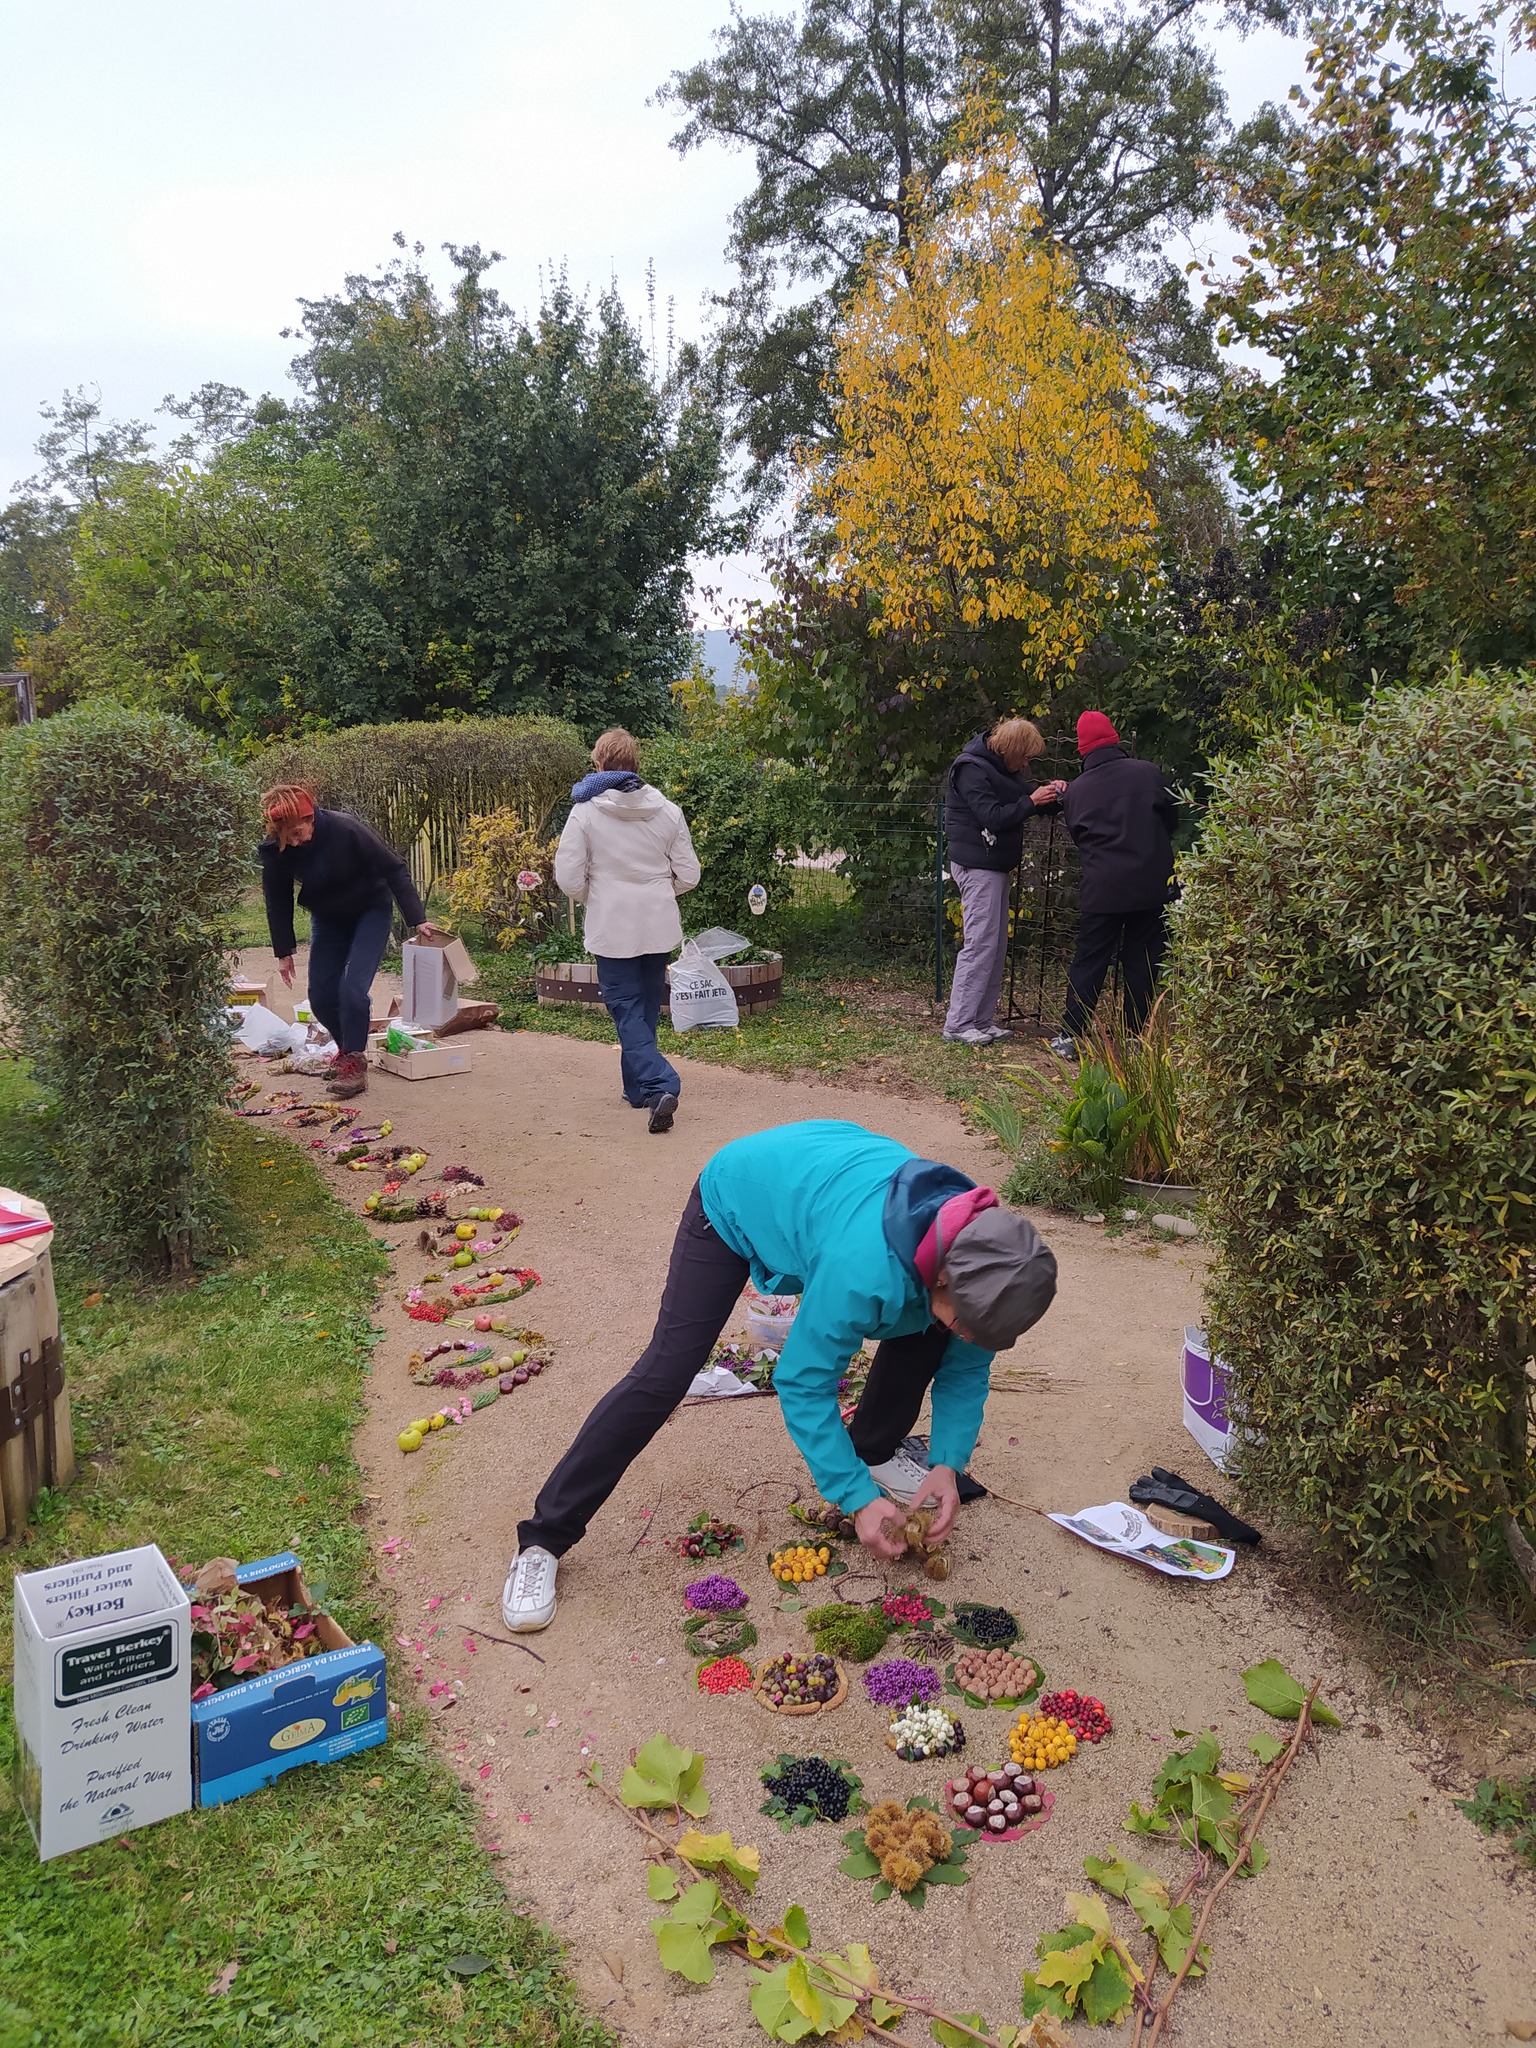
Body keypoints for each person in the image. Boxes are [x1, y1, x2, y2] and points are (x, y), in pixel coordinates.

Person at [501, 1118, 1058, 1631]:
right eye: (966, 1321)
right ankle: (543, 1541)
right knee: (665, 1374)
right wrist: (856, 1499)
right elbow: (803, 1380)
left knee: (933, 1337)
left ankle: (871, 1454)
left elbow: (966, 1367)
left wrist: (946, 1462)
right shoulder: (863, 1269)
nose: (970, 1335)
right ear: (942, 1279)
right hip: (740, 1193)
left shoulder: (984, 1265)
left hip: (829, 1186)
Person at [555, 728, 700, 1135]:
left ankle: (659, 1085)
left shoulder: (584, 811)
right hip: (657, 921)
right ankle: (636, 1090)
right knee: (646, 1005)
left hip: (611, 922)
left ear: (599, 764)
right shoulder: (668, 810)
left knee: (624, 1007)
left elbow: (568, 877)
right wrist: (656, 889)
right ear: (636, 764)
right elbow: (689, 873)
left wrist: (596, 894)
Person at [258, 785, 441, 1099]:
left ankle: (355, 1063)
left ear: (311, 817)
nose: (298, 841)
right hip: (328, 919)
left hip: (370, 911)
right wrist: (284, 951)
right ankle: (348, 1051)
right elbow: (277, 898)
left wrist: (417, 918)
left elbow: (394, 868)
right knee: (320, 996)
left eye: (300, 832)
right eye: (290, 837)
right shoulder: (276, 849)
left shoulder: (346, 829)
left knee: (352, 989)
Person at [1045, 711, 1178, 1059]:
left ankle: (1071, 1036)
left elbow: (1078, 836)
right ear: (1115, 739)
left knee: (1090, 960)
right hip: (1152, 885)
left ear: (1082, 749)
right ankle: (1135, 1037)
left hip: (1103, 888)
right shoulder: (1149, 773)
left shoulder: (1077, 792)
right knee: (1144, 960)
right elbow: (1172, 819)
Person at [942, 717, 1065, 1045]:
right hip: (977, 865)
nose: (1026, 764)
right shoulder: (970, 769)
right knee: (980, 944)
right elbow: (993, 816)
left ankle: (981, 1021)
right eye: (1024, 756)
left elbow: (1026, 799)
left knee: (995, 947)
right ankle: (958, 1024)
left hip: (993, 866)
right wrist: (1032, 802)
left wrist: (1055, 794)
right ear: (1009, 750)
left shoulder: (1000, 770)